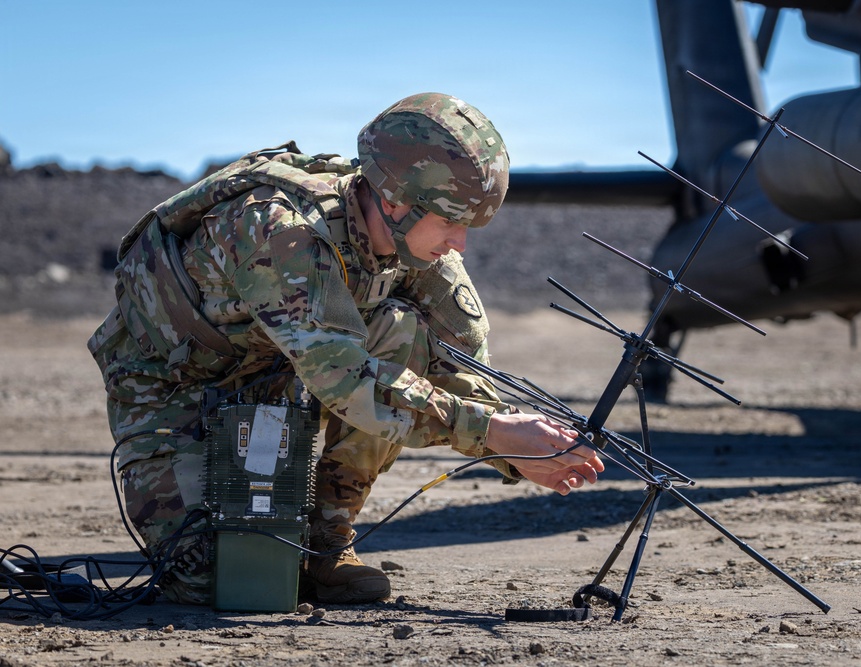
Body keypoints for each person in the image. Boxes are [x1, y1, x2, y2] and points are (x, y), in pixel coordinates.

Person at [88, 92, 604, 606]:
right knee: (214, 581)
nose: (459, 243)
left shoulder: (418, 250)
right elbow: (347, 381)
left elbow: (459, 362)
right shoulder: (282, 233)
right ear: (396, 201)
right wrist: (486, 431)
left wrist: (519, 446)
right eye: (450, 221)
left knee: (400, 326)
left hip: (277, 379)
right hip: (172, 390)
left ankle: (325, 540)